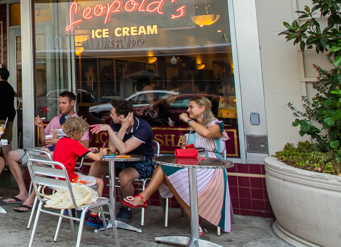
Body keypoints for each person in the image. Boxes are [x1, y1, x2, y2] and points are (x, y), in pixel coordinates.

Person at [122, 96, 232, 234]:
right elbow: (188, 149)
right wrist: (185, 148)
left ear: (203, 108)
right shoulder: (191, 131)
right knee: (167, 170)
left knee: (167, 171)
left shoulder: (216, 125)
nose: (188, 110)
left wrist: (188, 120)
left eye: (191, 107)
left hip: (212, 168)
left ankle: (143, 198)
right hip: (192, 165)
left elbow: (207, 133)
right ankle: (192, 218)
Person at [86, 98, 157, 226]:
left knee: (125, 176)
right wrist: (122, 128)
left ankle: (126, 206)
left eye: (112, 114)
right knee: (96, 165)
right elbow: (113, 148)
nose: (110, 116)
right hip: (122, 161)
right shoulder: (115, 123)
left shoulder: (143, 128)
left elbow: (123, 149)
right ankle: (92, 204)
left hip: (144, 162)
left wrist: (110, 128)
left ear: (122, 116)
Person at [52, 117, 107, 186]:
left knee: (83, 176)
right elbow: (97, 158)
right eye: (82, 133)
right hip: (71, 180)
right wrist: (102, 152)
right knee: (99, 182)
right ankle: (93, 197)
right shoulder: (74, 143)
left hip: (59, 180)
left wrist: (86, 151)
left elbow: (69, 153)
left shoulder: (61, 141)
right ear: (75, 133)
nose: (83, 135)